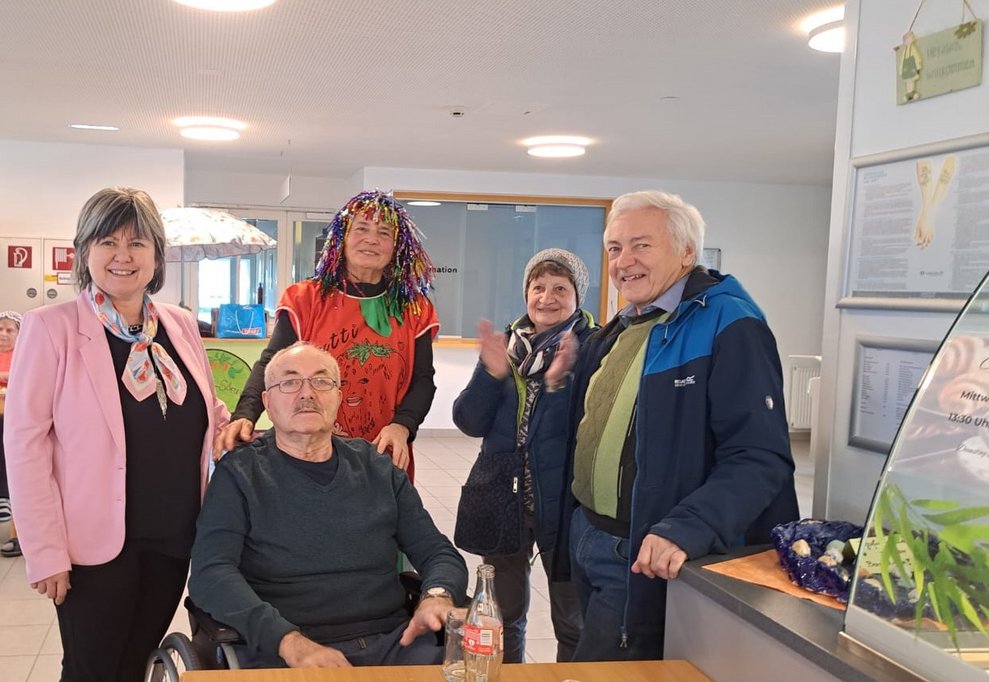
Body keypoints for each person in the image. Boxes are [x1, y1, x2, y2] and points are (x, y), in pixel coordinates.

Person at [555, 190, 799, 661]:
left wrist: (688, 527)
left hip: (642, 550)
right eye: (614, 248)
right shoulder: (624, 326)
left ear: (687, 252)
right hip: (588, 535)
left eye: (641, 245)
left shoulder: (730, 322)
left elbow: (760, 456)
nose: (623, 261)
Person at [4, 187, 230, 681]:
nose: (123, 255)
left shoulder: (180, 325)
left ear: (156, 256)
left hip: (175, 534)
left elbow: (207, 408)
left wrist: (233, 426)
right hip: (94, 545)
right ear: (85, 251)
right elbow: (24, 445)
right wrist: (44, 550)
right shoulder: (51, 328)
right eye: (107, 241)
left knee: (135, 663)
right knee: (91, 669)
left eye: (137, 243)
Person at [189, 342, 467, 669]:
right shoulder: (240, 474)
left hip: (394, 642)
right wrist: (288, 642)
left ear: (338, 397)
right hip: (283, 649)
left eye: (321, 381)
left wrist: (437, 595)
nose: (307, 393)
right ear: (267, 402)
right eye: (290, 382)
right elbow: (211, 573)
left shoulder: (377, 468)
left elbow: (437, 552)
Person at [215, 190, 438, 481]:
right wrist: (245, 415)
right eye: (361, 228)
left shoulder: (414, 308)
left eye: (384, 233)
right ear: (341, 239)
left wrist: (402, 426)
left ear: (397, 246)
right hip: (307, 450)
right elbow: (271, 363)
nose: (372, 239)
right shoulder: (305, 299)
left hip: (383, 452)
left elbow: (423, 379)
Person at [452, 249, 596, 663]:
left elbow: (588, 427)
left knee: (572, 620)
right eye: (538, 287)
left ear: (577, 296)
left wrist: (558, 384)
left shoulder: (592, 347)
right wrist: (491, 373)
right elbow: (469, 421)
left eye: (560, 289)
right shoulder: (507, 347)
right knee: (503, 615)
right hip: (504, 500)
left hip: (565, 504)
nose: (546, 298)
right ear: (526, 293)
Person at [0, 310, 22, 549]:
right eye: (0, 329)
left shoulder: (24, 355)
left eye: (9, 330)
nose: (3, 334)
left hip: (13, 420)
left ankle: (17, 535)